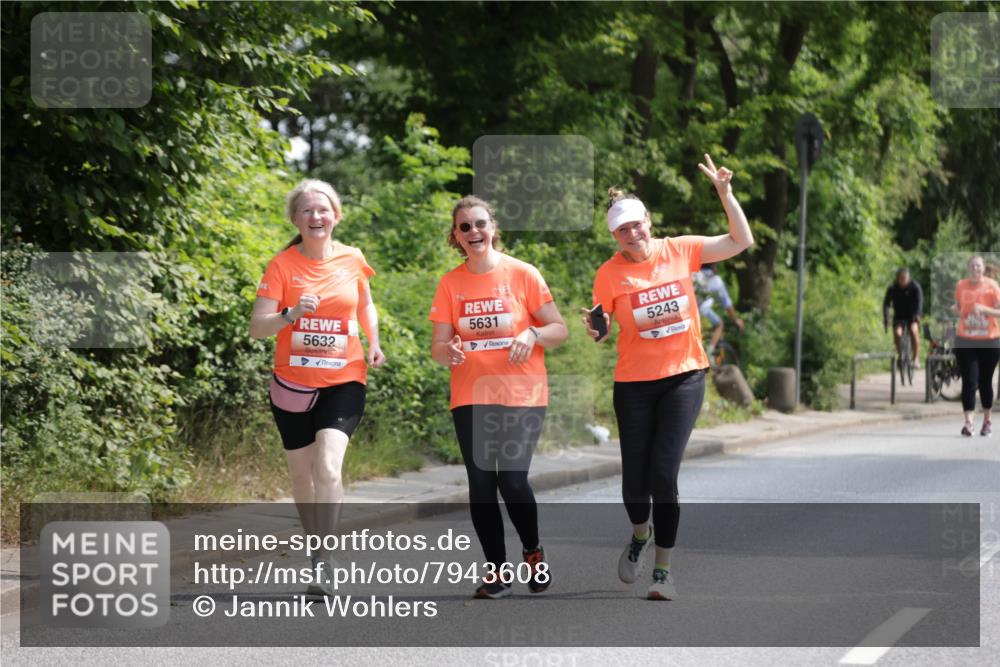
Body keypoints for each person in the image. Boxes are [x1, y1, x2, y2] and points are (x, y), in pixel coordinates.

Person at [581, 154, 753, 601]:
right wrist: (595, 328)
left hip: (684, 376)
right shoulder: (609, 273)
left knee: (663, 474)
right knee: (634, 483)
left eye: (637, 225)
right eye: (622, 230)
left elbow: (741, 240)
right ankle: (640, 535)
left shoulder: (679, 249)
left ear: (648, 222)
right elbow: (603, 328)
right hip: (634, 384)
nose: (632, 234)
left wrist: (725, 194)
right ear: (614, 236)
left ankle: (663, 571)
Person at [250, 178, 385, 595]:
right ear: (295, 219)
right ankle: (316, 552)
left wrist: (375, 341)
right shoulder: (281, 265)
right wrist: (290, 314)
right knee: (302, 479)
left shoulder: (352, 259)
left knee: (328, 466)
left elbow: (365, 304)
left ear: (336, 216)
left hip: (344, 378)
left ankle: (326, 559)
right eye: (306, 210)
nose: (316, 216)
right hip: (293, 384)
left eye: (323, 209)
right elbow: (258, 328)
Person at [430, 195, 568, 599]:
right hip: (471, 393)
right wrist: (448, 352)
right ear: (456, 236)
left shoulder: (523, 274)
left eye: (479, 224)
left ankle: (533, 553)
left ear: (493, 227)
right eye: (465, 227)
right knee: (480, 481)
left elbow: (559, 329)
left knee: (511, 479)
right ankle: (496, 571)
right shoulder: (450, 283)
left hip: (522, 393)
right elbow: (437, 346)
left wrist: (534, 332)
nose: (474, 232)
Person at [953, 255, 1000, 437]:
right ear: (968, 268)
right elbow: (959, 306)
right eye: (972, 266)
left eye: (978, 266)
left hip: (990, 340)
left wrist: (984, 310)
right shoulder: (961, 285)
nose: (975, 269)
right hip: (966, 339)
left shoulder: (992, 286)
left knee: (985, 381)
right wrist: (956, 309)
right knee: (970, 381)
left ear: (983, 268)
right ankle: (969, 423)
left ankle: (987, 421)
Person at [692, 263, 744, 357]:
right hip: (702, 310)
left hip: (689, 309)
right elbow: (727, 303)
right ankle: (709, 352)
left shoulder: (693, 274)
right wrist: (736, 320)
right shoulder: (716, 280)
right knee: (719, 324)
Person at [883, 268, 923, 369]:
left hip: (913, 316)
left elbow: (919, 302)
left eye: (905, 278)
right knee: (898, 333)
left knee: (914, 331)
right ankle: (901, 355)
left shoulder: (915, 287)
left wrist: (917, 315)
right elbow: (886, 304)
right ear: (897, 278)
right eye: (901, 278)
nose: (903, 280)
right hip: (899, 316)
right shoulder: (892, 288)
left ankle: (916, 358)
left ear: (909, 278)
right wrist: (886, 317)